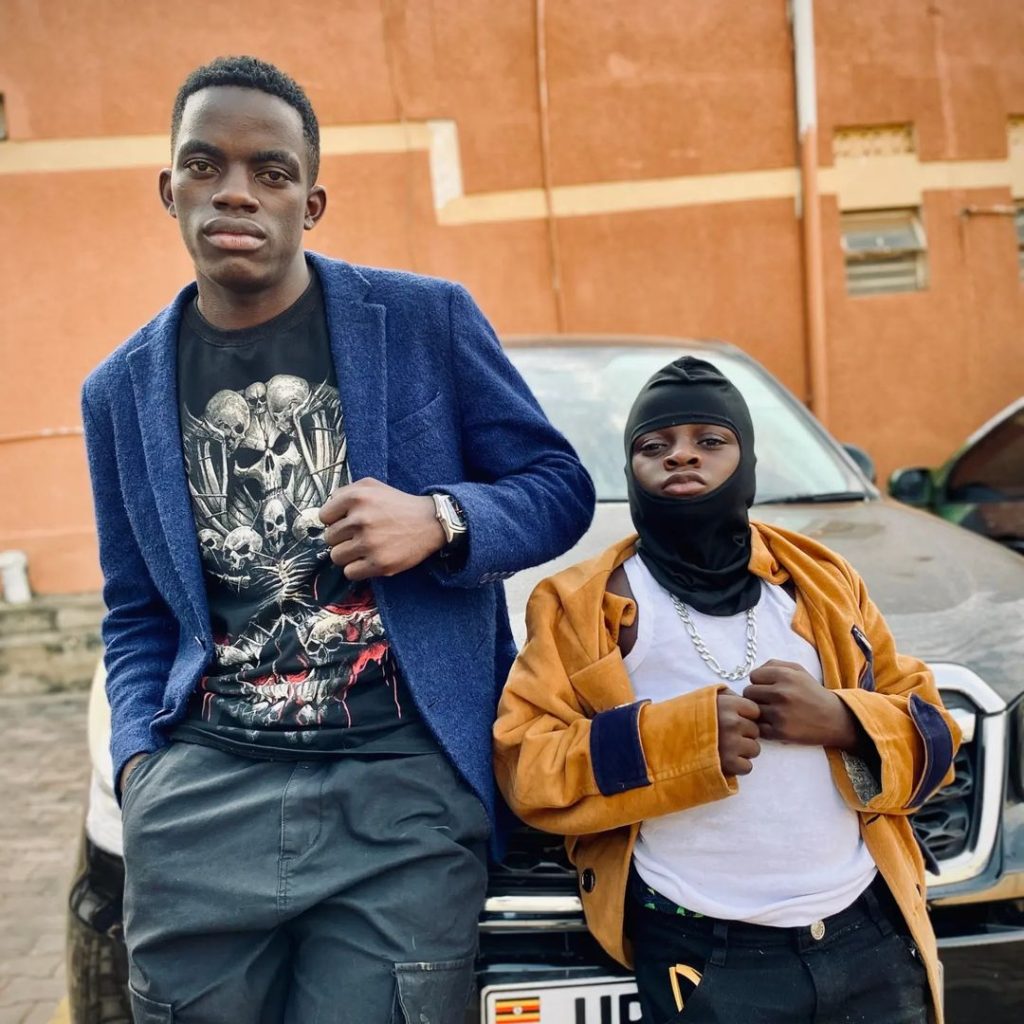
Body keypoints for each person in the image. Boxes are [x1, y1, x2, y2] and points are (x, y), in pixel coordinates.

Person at [81, 55, 594, 1024]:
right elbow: (134, 608)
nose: (237, 191)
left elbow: (558, 487)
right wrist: (140, 768)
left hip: (399, 790)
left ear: (310, 204)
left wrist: (440, 519)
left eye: (271, 172)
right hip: (204, 796)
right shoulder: (117, 391)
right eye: (205, 164)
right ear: (169, 188)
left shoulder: (424, 319)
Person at [494, 356, 960, 1024]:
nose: (681, 455)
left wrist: (844, 721)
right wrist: (678, 743)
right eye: (654, 445)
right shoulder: (583, 604)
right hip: (700, 950)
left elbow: (933, 733)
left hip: (867, 931)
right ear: (630, 470)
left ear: (748, 464)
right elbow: (525, 766)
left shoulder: (821, 580)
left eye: (710, 440)